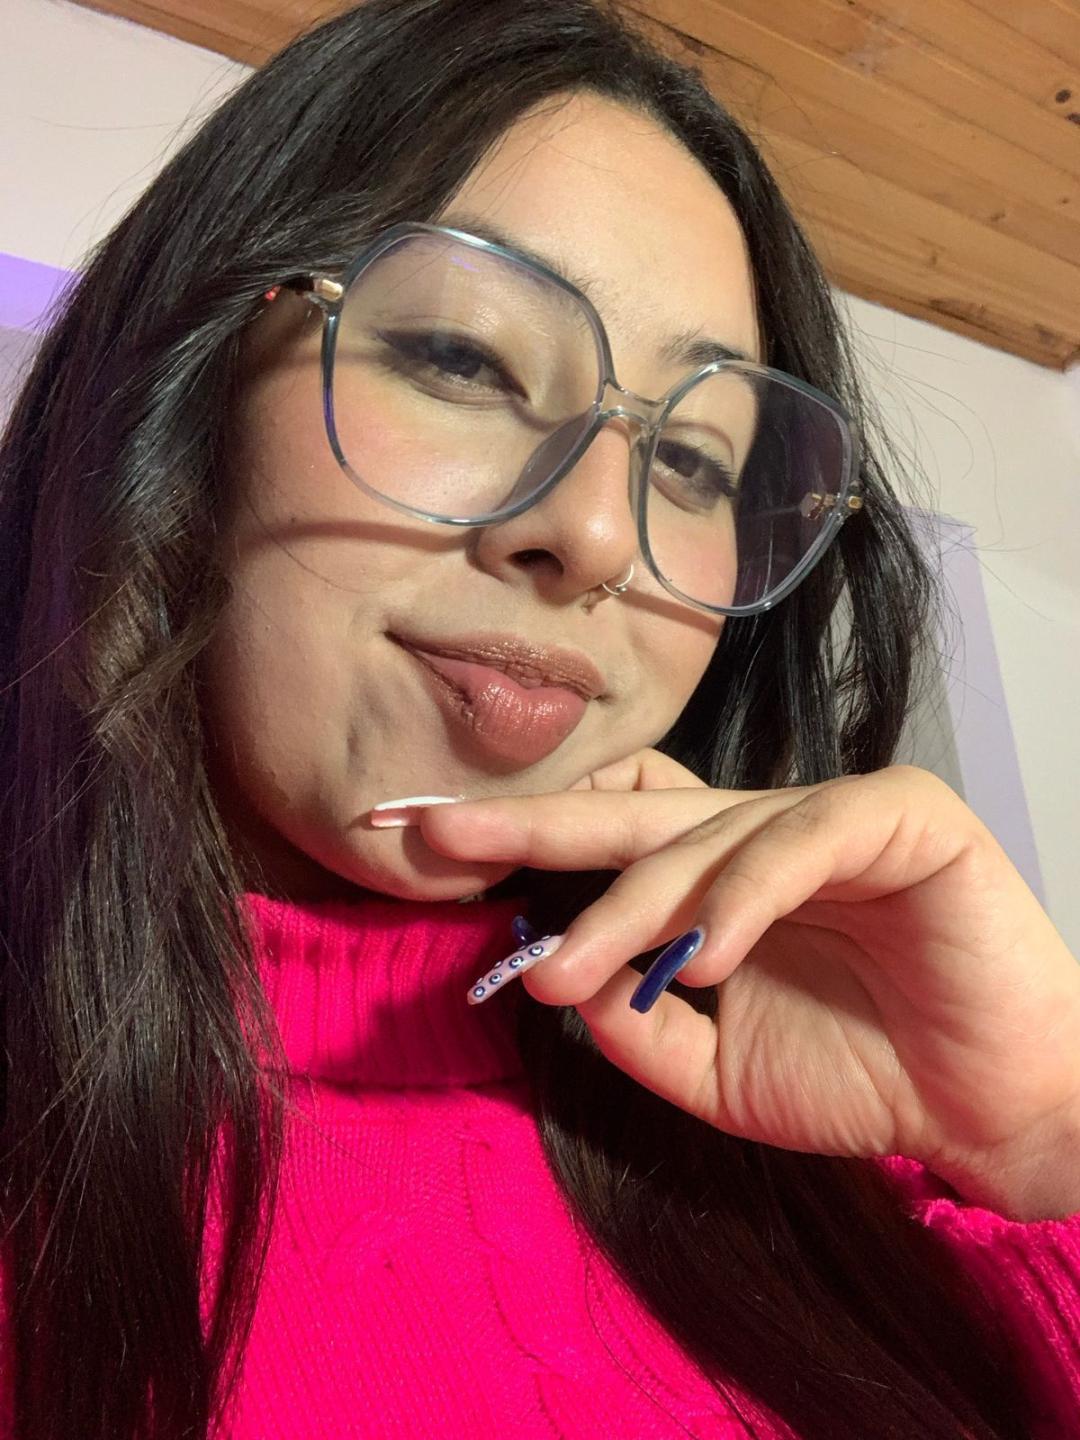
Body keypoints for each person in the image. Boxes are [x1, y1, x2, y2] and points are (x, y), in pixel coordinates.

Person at [1, 0, 1078, 1436]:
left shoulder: (850, 1132)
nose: (596, 534)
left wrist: (1044, 1134)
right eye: (463, 361)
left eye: (693, 464)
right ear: (188, 393)